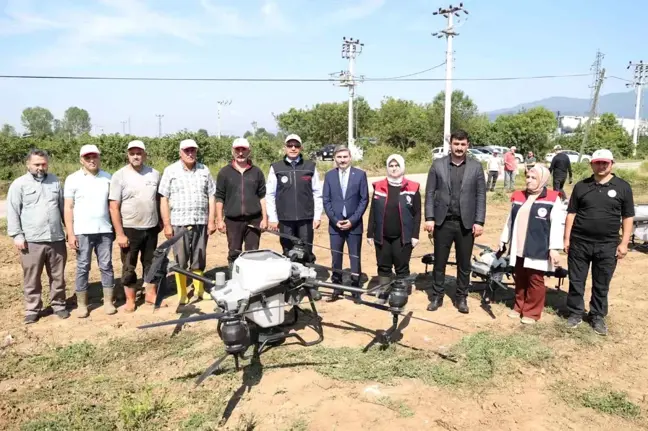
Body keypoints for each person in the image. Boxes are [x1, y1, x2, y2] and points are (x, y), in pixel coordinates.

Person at [563, 149, 634, 336]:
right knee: (577, 280)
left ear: (612, 164)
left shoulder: (623, 187)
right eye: (597, 162)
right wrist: (566, 238)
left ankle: (597, 316)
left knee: (602, 282)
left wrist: (624, 243)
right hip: (579, 242)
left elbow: (628, 216)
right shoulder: (581, 186)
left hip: (608, 244)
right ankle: (575, 313)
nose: (601, 166)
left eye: (605, 163)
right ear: (591, 164)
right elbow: (571, 213)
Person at [424, 130, 487, 314]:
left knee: (464, 264)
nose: (459, 148)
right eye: (456, 144)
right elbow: (429, 193)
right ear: (450, 144)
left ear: (468, 145)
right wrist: (429, 217)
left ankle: (461, 297)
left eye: (463, 144)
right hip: (442, 223)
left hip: (466, 224)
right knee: (439, 263)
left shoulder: (476, 167)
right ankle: (436, 296)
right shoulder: (438, 165)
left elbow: (481, 195)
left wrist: (479, 220)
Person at [6, 149, 69, 324]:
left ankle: (59, 305)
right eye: (37, 164)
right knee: (32, 277)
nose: (40, 167)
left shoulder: (55, 181)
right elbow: (13, 211)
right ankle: (33, 309)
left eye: (43, 164)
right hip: (31, 240)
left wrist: (69, 232)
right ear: (28, 165)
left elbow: (63, 208)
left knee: (58, 276)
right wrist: (17, 235)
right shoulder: (19, 184)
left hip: (56, 238)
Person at [499, 165, 564, 324]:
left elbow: (557, 224)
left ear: (543, 180)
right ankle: (518, 306)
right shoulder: (518, 196)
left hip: (538, 246)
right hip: (519, 245)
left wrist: (554, 248)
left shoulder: (552, 197)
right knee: (520, 277)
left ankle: (531, 312)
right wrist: (503, 239)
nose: (529, 180)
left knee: (535, 279)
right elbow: (510, 220)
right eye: (528, 177)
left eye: (533, 178)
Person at [158, 139, 217, 306]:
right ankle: (183, 293)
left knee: (199, 257)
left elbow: (212, 196)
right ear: (180, 153)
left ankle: (199, 290)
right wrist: (167, 224)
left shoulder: (204, 170)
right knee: (181, 260)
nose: (190, 153)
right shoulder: (170, 171)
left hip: (200, 221)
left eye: (193, 150)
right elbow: (164, 198)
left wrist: (211, 220)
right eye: (186, 151)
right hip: (179, 223)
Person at [108, 140, 161, 312]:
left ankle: (150, 295)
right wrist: (120, 233)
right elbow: (113, 206)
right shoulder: (119, 176)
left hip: (151, 227)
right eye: (132, 153)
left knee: (151, 263)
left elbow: (159, 200)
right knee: (128, 266)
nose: (136, 156)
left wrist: (160, 221)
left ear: (145, 155)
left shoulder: (154, 174)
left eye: (139, 153)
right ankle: (130, 299)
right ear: (128, 155)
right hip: (130, 229)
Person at [64, 144, 116, 317]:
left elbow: (113, 206)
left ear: (99, 158)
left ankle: (108, 301)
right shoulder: (72, 179)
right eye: (88, 158)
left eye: (94, 157)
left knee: (106, 266)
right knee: (82, 266)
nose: (92, 160)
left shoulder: (108, 178)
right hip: (83, 231)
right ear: (81, 160)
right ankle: (82, 304)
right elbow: (68, 207)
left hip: (104, 230)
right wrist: (71, 233)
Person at [367, 154, 421, 297]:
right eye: (391, 166)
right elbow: (373, 211)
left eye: (396, 165)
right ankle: (384, 291)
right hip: (382, 235)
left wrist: (415, 235)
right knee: (383, 264)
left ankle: (400, 293)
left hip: (403, 236)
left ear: (402, 167)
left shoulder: (412, 187)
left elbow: (417, 214)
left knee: (401, 265)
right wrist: (370, 233)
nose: (394, 168)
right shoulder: (379, 186)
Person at [322, 145, 369, 301]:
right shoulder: (329, 176)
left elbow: (364, 199)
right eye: (339, 157)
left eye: (345, 157)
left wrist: (352, 220)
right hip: (335, 226)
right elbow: (326, 200)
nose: (342, 160)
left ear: (350, 158)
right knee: (336, 258)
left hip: (354, 225)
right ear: (335, 158)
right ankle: (337, 288)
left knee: (354, 257)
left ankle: (355, 290)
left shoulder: (360, 175)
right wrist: (335, 220)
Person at [215, 137, 268, 272]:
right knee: (234, 252)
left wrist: (265, 218)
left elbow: (262, 196)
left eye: (243, 150)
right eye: (237, 150)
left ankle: (251, 280)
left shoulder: (257, 172)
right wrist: (219, 220)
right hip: (233, 221)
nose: (240, 153)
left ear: (248, 151)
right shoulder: (224, 173)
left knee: (252, 253)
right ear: (233, 151)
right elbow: (219, 197)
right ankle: (234, 278)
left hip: (254, 220)